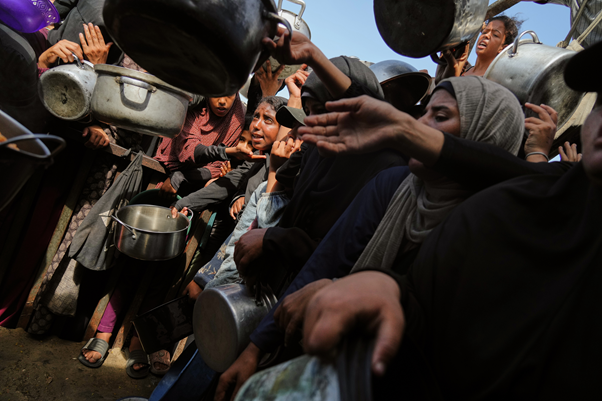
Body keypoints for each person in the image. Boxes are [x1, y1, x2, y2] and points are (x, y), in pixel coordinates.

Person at [298, 40, 602, 399]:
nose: (422, 124)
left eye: (440, 117)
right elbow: (433, 324)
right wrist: (387, 290)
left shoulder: (515, 213)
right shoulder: (493, 212)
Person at [218, 76, 531, 400]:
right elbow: (326, 261)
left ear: (484, 136)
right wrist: (256, 348)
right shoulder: (393, 184)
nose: (419, 125)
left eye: (440, 116)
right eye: (424, 113)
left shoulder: (491, 232)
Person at [154, 93, 246, 197]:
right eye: (217, 93)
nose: (222, 101)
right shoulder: (193, 107)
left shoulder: (236, 118)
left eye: (229, 95)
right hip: (164, 174)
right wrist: (225, 151)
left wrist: (183, 176)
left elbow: (218, 167)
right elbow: (189, 150)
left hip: (199, 189)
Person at [436, 15, 521, 82]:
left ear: (503, 48)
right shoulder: (462, 70)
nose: (486, 36)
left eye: (495, 35)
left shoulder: (494, 82)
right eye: (484, 32)